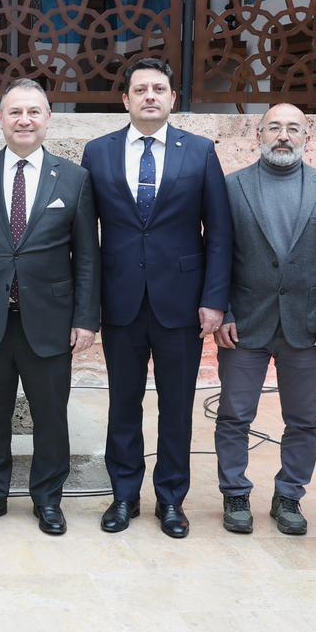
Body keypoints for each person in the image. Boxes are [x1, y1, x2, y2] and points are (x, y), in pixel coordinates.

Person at [80, 58, 231, 538]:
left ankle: (171, 499)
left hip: (182, 302)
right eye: (141, 89)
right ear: (125, 99)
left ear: (172, 99)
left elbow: (220, 232)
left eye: (159, 89)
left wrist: (214, 299)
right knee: (123, 403)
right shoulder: (98, 152)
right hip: (120, 297)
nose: (150, 96)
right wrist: (88, 305)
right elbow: (84, 236)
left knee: (177, 406)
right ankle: (123, 495)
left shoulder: (200, 151)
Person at [0, 80, 98, 534]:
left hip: (51, 321)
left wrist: (85, 318)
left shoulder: (73, 178)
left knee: (51, 416)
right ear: (0, 119)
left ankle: (48, 499)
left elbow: (87, 256)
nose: (24, 120)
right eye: (15, 112)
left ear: (48, 118)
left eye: (34, 111)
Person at [212, 104, 316, 535]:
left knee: (304, 419)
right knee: (234, 415)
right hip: (243, 323)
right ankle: (235, 492)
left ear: (308, 136)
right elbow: (216, 254)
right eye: (274, 127)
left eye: (293, 128)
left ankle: (289, 495)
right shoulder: (231, 187)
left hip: (307, 325)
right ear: (259, 134)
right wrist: (223, 311)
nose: (283, 136)